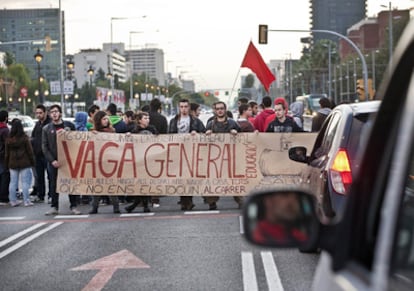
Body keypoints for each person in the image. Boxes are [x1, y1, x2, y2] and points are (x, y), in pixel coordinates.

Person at [42, 104, 81, 215]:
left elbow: (77, 140)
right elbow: (45, 147)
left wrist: (68, 133)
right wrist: (52, 160)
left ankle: (74, 205)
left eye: (56, 111)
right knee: (53, 184)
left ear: (60, 113)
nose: (54, 113)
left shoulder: (69, 126)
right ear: (50, 115)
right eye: (52, 112)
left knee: (70, 183)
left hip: (68, 161)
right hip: (54, 162)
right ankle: (54, 206)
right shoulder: (46, 129)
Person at [205, 101, 243, 210]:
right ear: (215, 111)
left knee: (234, 180)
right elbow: (203, 142)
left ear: (225, 110)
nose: (220, 110)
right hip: (215, 159)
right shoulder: (210, 124)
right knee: (213, 180)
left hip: (230, 157)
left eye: (222, 108)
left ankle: (240, 200)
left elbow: (244, 138)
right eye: (217, 109)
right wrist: (207, 134)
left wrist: (237, 133)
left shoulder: (233, 123)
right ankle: (212, 202)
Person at [169, 98, 205, 210]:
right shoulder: (174, 121)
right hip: (178, 152)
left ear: (189, 108)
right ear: (179, 108)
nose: (183, 109)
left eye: (185, 106)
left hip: (191, 153)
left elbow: (203, 133)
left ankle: (188, 200)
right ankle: (184, 200)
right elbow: (169, 135)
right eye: (181, 107)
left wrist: (196, 133)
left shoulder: (195, 120)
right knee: (181, 178)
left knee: (189, 178)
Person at [125, 112, 159, 213]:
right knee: (140, 183)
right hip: (138, 160)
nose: (148, 120)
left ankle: (138, 205)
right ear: (139, 120)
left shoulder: (152, 129)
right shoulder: (134, 130)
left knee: (146, 183)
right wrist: (128, 135)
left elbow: (159, 138)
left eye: (148, 118)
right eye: (145, 118)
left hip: (149, 159)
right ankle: (141, 205)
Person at [88, 110, 120, 214]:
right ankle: (94, 207)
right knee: (97, 185)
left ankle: (116, 206)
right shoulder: (93, 132)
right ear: (98, 120)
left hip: (110, 161)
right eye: (104, 119)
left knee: (111, 185)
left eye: (107, 119)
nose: (106, 121)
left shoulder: (112, 131)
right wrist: (92, 135)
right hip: (98, 162)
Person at [5, 119, 35, 207]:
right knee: (25, 182)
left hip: (12, 163)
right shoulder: (24, 138)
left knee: (13, 182)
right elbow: (30, 151)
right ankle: (26, 201)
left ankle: (13, 200)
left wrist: (7, 163)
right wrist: (32, 162)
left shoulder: (9, 139)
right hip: (24, 162)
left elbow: (7, 153)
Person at [31, 104, 51, 203]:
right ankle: (41, 195)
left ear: (45, 113)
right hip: (38, 155)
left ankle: (51, 195)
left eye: (40, 113)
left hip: (47, 155)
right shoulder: (37, 124)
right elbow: (33, 137)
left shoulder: (50, 124)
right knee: (39, 176)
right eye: (37, 113)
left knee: (50, 176)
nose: (38, 115)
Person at [0, 111, 10, 205]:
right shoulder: (5, 130)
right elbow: (8, 144)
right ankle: (3, 197)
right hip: (3, 156)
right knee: (5, 176)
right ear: (6, 118)